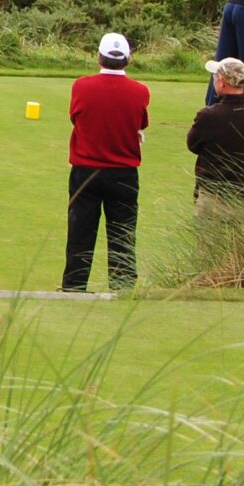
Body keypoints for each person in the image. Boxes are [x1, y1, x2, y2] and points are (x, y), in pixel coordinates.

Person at [64, 31, 148, 292]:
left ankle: (74, 287)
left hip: (85, 171)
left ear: (99, 57)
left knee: (81, 232)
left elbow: (75, 118)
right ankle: (122, 288)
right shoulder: (140, 91)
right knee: (122, 233)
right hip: (124, 174)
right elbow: (141, 123)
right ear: (127, 59)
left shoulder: (81, 86)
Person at [189, 56, 244, 220]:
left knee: (209, 245)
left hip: (214, 198)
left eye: (214, 77)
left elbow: (193, 145)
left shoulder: (209, 115)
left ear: (221, 81)